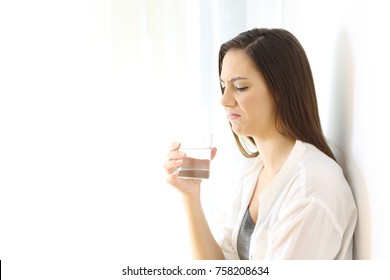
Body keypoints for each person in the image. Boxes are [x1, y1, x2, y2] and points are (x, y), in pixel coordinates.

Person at [163, 28, 357, 260]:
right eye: (224, 86)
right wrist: (190, 197)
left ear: (281, 91)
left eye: (240, 87)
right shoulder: (254, 169)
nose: (224, 100)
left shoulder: (314, 187)